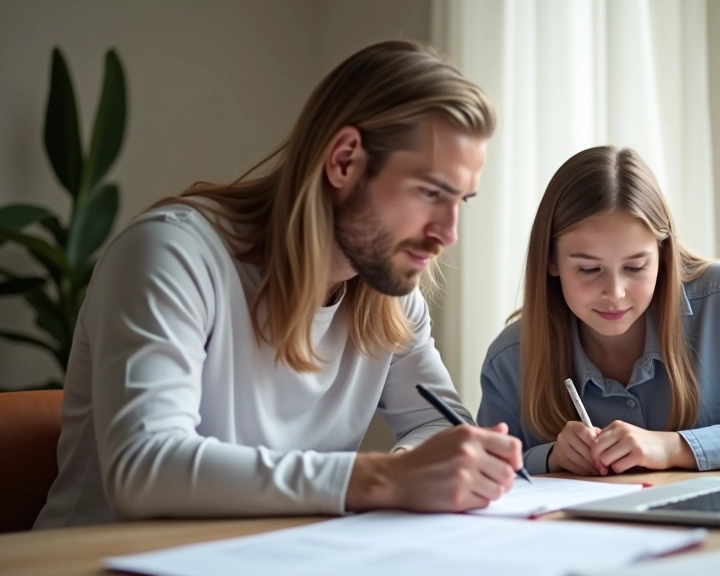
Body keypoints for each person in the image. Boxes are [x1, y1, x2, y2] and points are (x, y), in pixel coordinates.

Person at [35, 40, 522, 529]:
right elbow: (146, 469)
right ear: (345, 161)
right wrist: (385, 478)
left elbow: (438, 422)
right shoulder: (171, 256)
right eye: (430, 192)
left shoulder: (387, 294)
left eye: (462, 200)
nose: (448, 232)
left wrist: (425, 470)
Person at [477, 145, 720, 476]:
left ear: (662, 254)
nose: (615, 293)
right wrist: (548, 458)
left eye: (635, 267)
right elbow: (487, 472)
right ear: (551, 261)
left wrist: (676, 447)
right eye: (589, 270)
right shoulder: (510, 360)